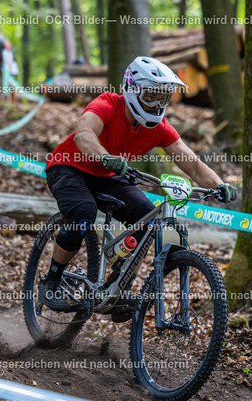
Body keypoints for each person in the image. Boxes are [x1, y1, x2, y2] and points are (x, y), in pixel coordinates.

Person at [40, 56, 238, 315]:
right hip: (69, 167)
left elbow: (193, 165)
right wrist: (105, 156)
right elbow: (84, 134)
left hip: (107, 175)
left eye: (163, 98)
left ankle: (117, 289)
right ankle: (52, 281)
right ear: (133, 90)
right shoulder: (107, 104)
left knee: (147, 219)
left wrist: (220, 185)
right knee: (83, 211)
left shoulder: (159, 128)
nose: (157, 105)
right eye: (151, 96)